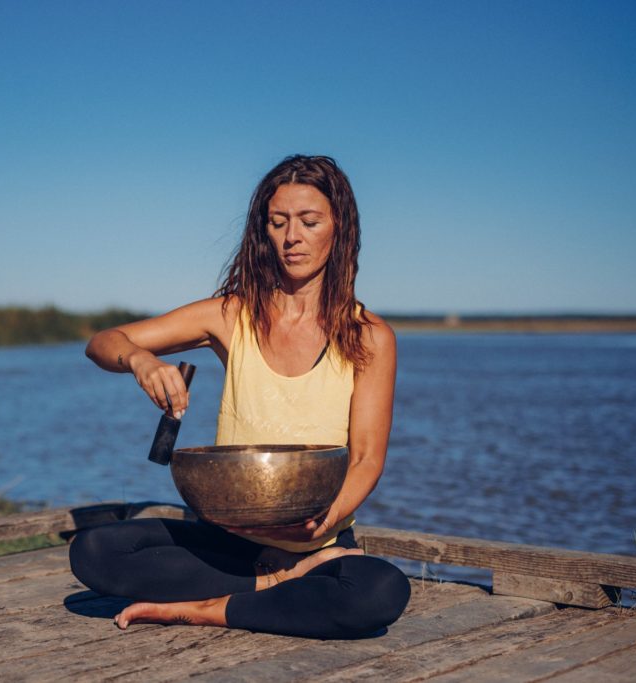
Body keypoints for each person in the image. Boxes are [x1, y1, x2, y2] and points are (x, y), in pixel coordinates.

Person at [69, 155, 411, 639]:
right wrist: (140, 361)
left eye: (309, 222)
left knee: (379, 591)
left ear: (339, 229)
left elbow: (367, 460)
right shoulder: (231, 316)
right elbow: (102, 342)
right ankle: (274, 585)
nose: (292, 237)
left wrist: (322, 523)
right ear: (263, 232)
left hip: (318, 543)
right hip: (228, 542)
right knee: (94, 553)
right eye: (278, 222)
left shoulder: (369, 336)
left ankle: (206, 608)